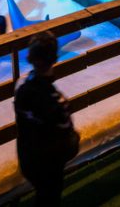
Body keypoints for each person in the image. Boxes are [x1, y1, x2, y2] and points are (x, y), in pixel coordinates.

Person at [14, 31, 78, 206]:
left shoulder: (21, 87)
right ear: (55, 59)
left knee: (42, 194)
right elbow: (69, 143)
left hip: (27, 157)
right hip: (50, 164)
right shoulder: (57, 102)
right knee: (50, 196)